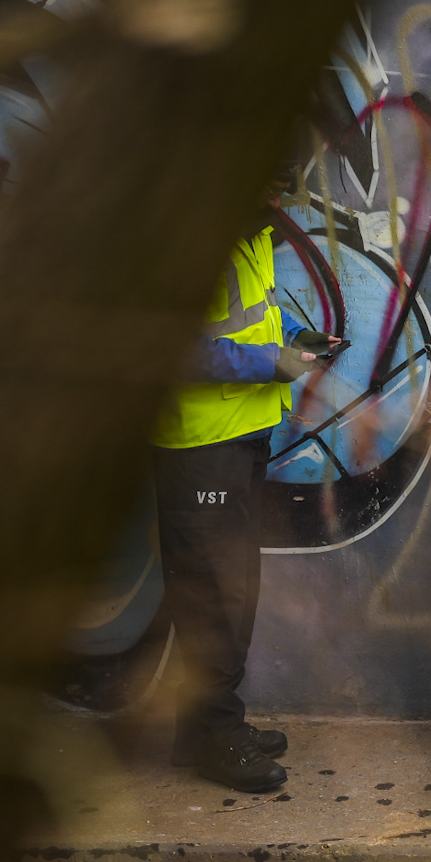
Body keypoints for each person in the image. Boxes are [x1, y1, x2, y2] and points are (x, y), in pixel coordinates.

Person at [151, 161, 340, 793]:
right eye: (266, 183)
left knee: (224, 590)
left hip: (237, 433)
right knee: (217, 594)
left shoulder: (247, 231)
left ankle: (201, 731)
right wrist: (275, 363)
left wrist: (296, 340)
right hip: (201, 445)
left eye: (282, 187)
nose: (276, 197)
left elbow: (247, 319)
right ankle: (216, 738)